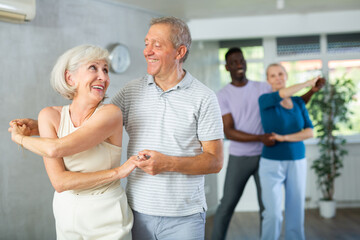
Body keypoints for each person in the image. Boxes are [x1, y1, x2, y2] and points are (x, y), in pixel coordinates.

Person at [11, 17, 224, 240]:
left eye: (156, 45)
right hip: (137, 210)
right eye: (146, 43)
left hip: (184, 217)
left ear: (179, 52)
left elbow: (215, 161)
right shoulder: (132, 91)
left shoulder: (204, 98)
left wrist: (168, 163)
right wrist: (40, 125)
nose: (147, 51)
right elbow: (92, 122)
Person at [9, 45, 135, 240]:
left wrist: (20, 138)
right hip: (66, 212)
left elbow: (55, 149)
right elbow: (60, 182)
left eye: (105, 70)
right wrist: (117, 173)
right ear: (70, 78)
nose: (103, 77)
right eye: (94, 68)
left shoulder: (111, 114)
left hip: (107, 214)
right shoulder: (49, 116)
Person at [212, 48, 324, 240]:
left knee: (268, 209)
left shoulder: (263, 87)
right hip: (242, 156)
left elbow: (295, 102)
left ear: (246, 63)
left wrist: (311, 91)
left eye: (241, 60)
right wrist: (260, 138)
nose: (239, 65)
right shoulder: (223, 94)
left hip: (266, 154)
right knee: (228, 203)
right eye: (234, 62)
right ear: (227, 67)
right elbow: (228, 131)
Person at [258, 63, 319, 240]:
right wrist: (308, 83)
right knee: (273, 214)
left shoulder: (299, 102)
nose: (278, 78)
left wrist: (284, 138)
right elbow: (283, 93)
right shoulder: (265, 100)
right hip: (271, 163)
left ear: (286, 76)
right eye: (273, 75)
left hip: (297, 160)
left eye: (281, 74)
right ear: (268, 80)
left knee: (296, 210)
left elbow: (309, 131)